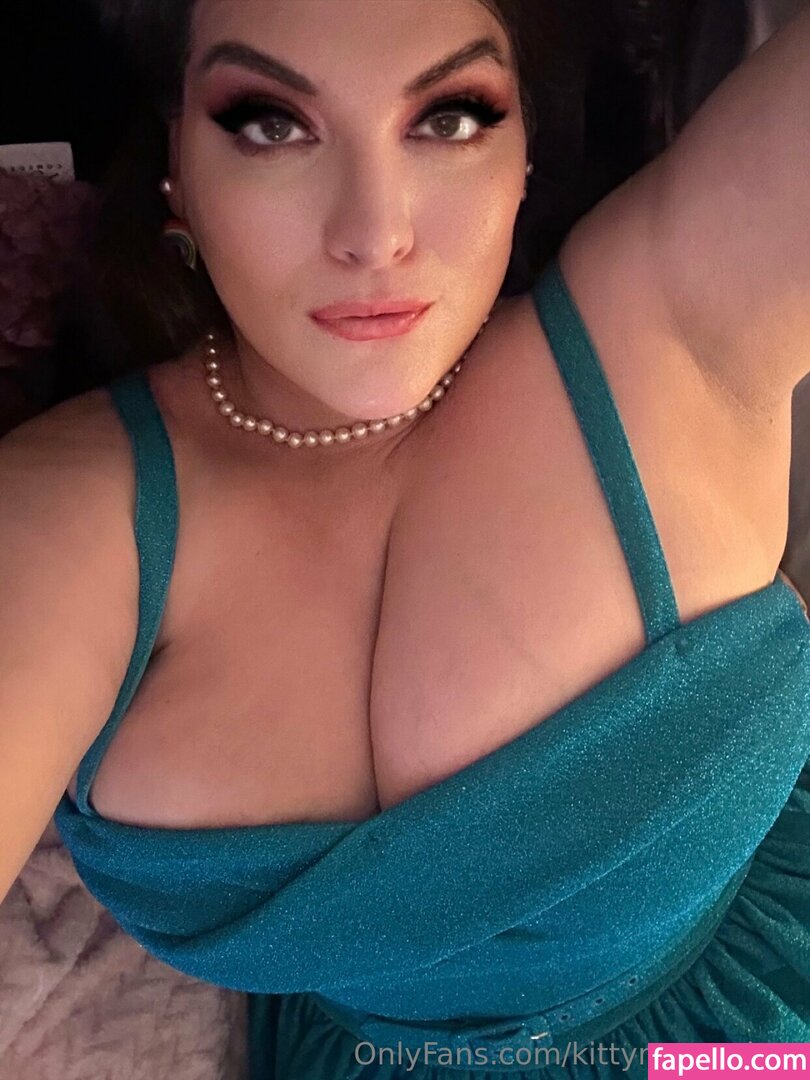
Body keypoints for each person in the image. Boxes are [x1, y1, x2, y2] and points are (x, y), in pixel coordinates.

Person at [1, 1, 808, 1077]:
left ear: (524, 152)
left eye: (451, 117)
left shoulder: (667, 318)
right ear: (177, 171)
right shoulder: (67, 507)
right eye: (272, 124)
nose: (374, 234)